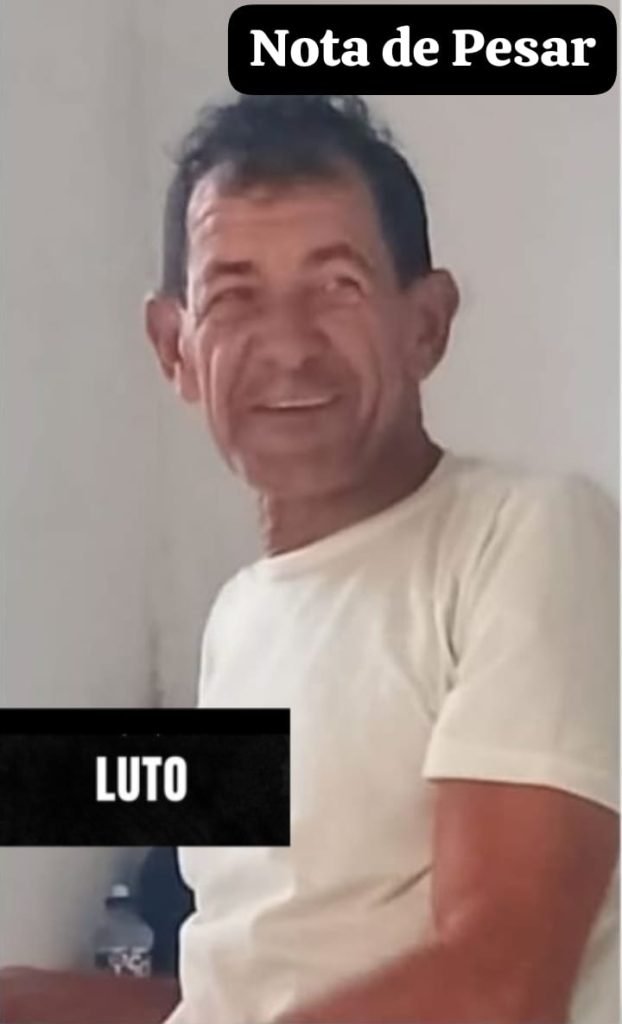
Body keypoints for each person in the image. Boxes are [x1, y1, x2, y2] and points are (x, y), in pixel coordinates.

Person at [1, 94, 617, 1024]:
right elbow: (251, 987)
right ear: (175, 349)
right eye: (234, 297)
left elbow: (498, 986)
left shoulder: (527, 534)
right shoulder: (239, 618)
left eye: (337, 287)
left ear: (426, 325)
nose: (288, 348)